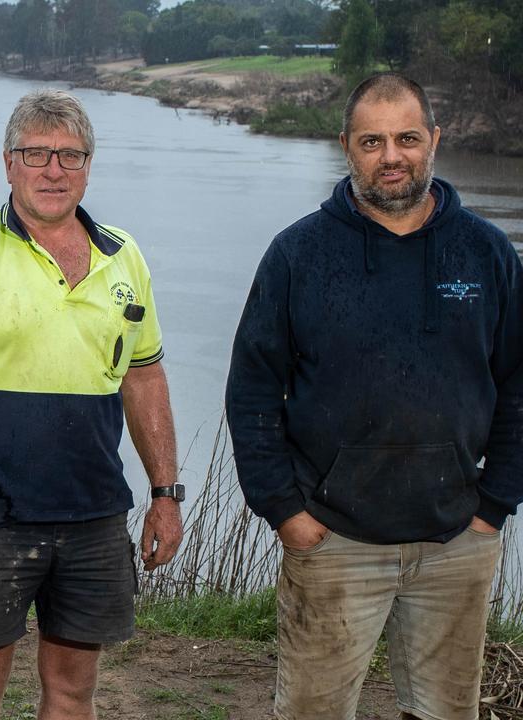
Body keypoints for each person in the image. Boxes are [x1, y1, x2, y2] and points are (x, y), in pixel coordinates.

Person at [225, 72, 523, 720]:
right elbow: (251, 388)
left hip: (456, 541)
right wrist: (285, 512)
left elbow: (519, 384)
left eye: (407, 138)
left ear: (435, 141)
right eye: (372, 141)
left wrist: (494, 505)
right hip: (333, 542)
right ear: (346, 147)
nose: (391, 156)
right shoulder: (298, 254)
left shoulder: (486, 253)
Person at [0, 89, 185, 720]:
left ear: (88, 165)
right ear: (7, 163)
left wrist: (166, 494)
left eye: (69, 155)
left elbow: (144, 380)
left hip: (94, 517)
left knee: (74, 690)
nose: (53, 170)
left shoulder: (124, 257)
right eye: (36, 155)